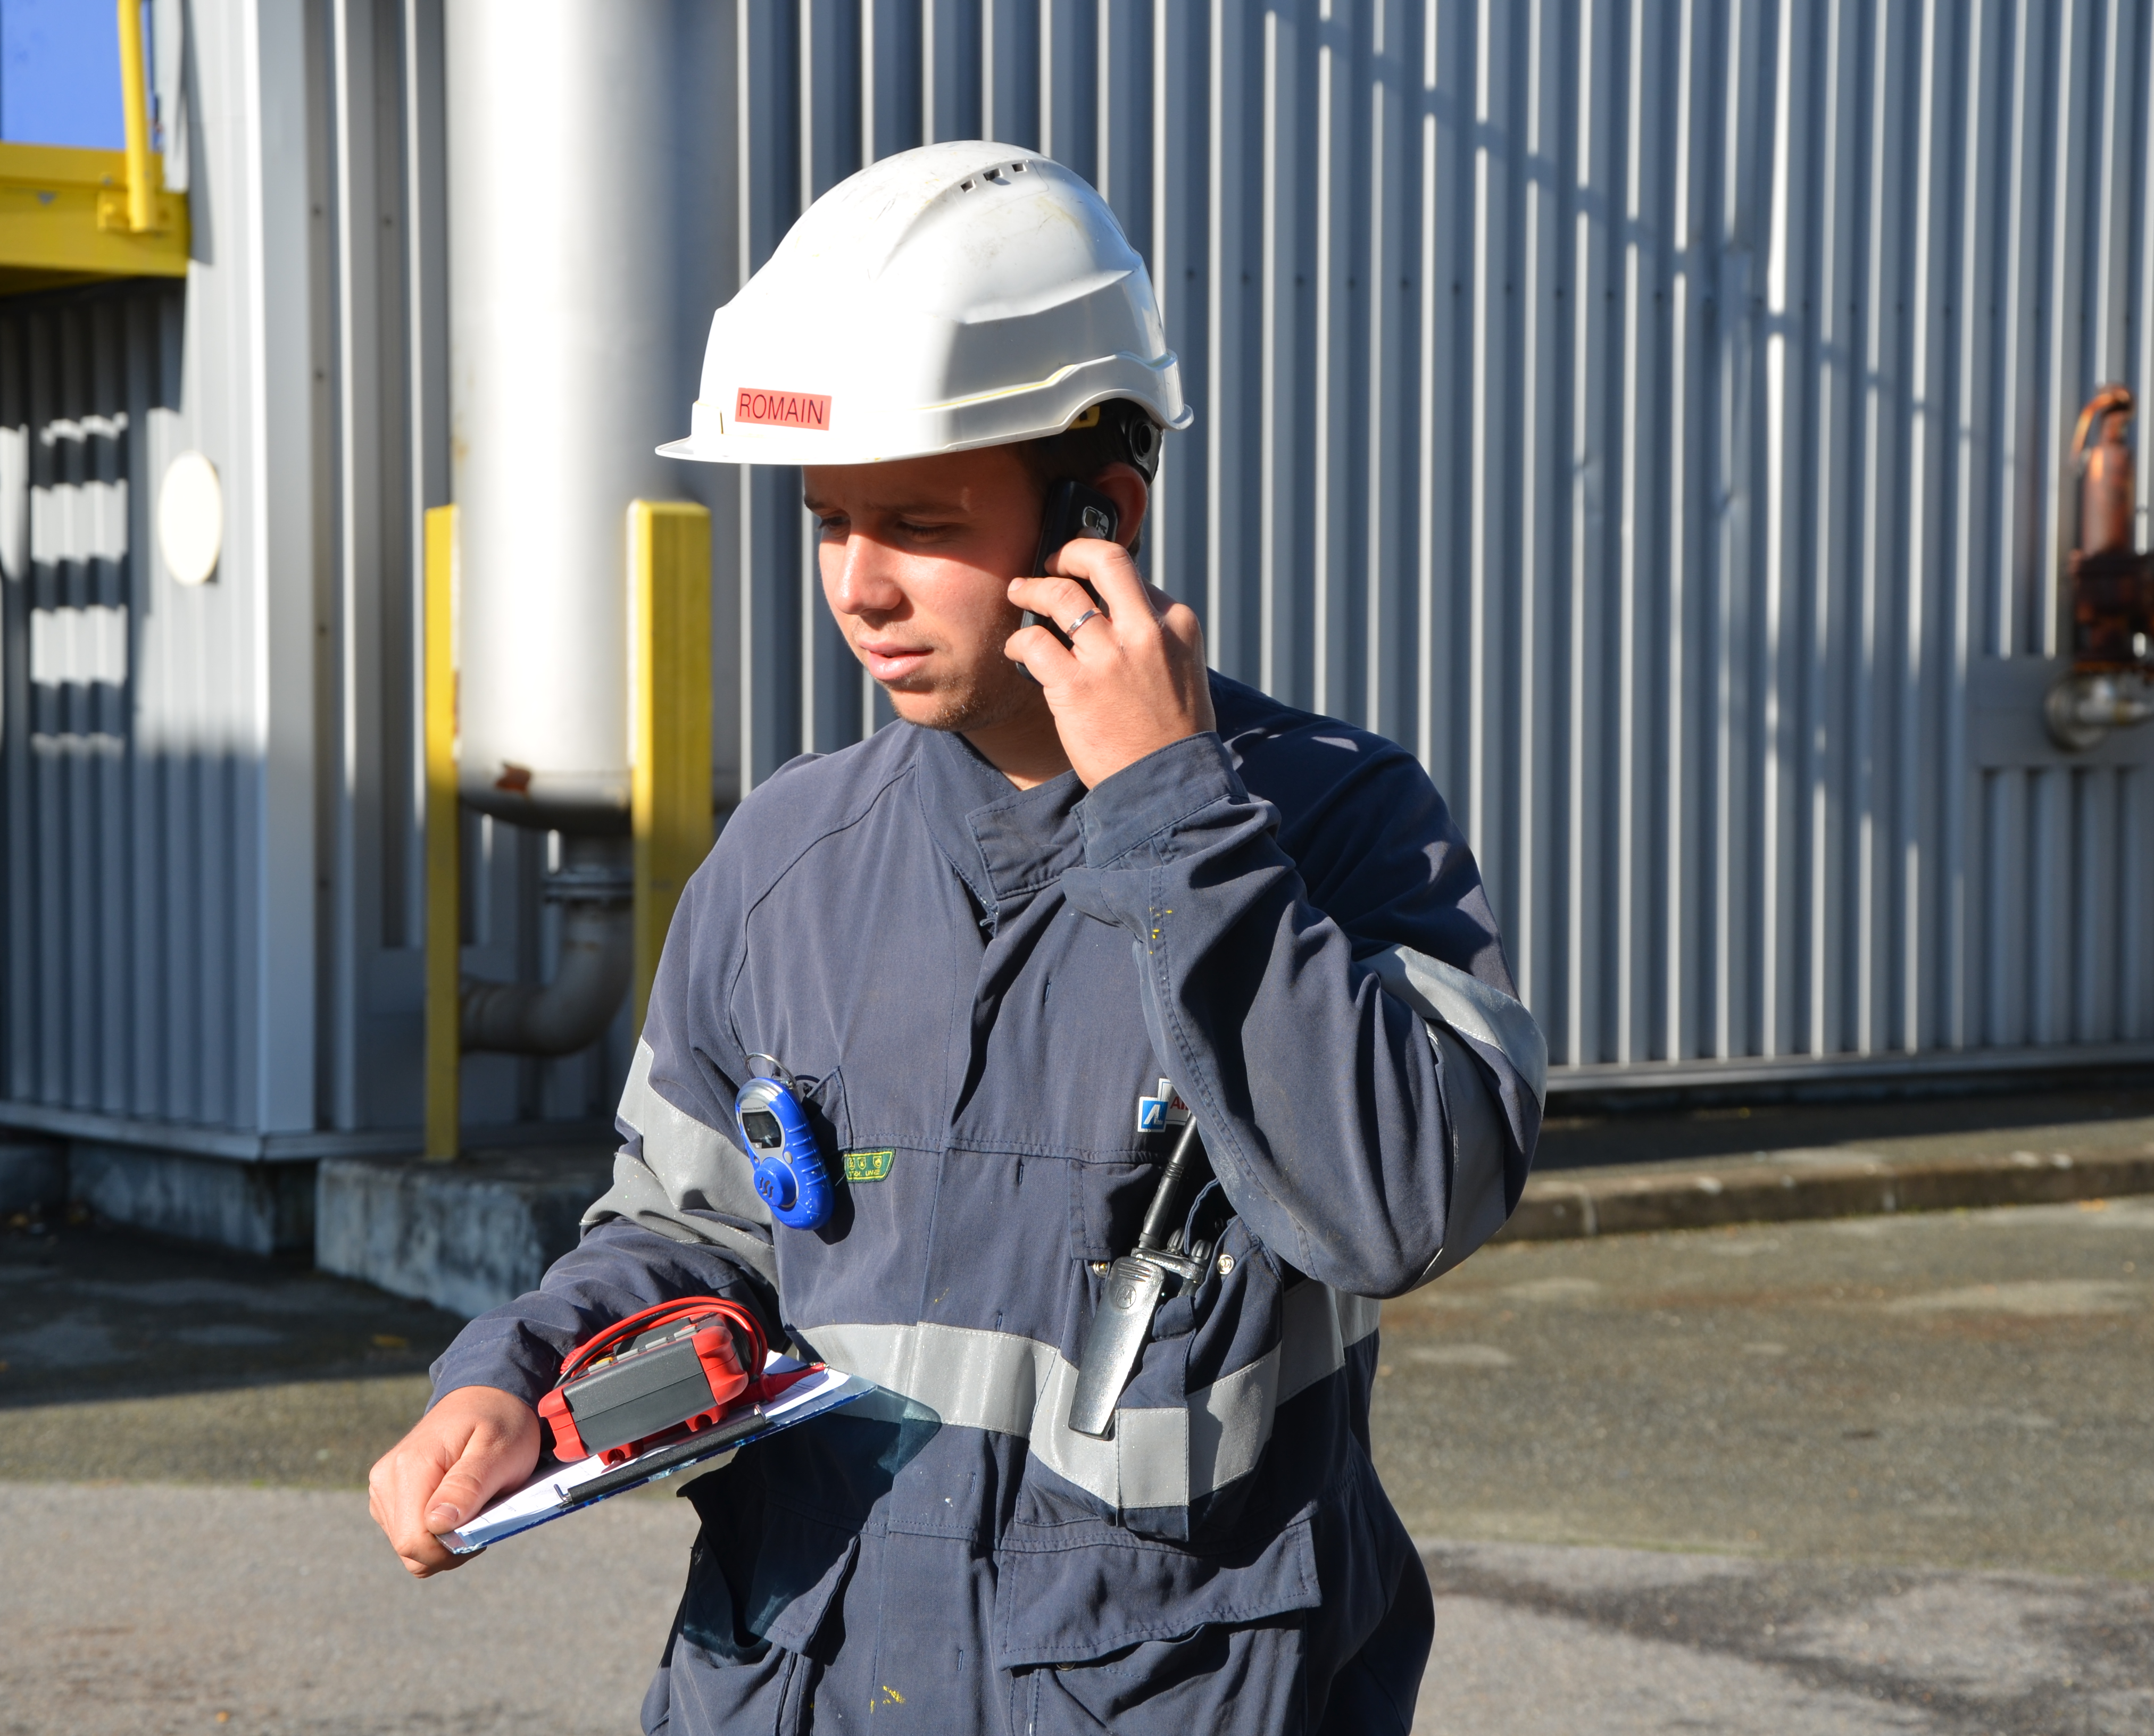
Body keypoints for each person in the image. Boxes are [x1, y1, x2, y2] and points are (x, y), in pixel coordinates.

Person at [368, 138, 1544, 1734]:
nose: (858, 587)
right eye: (826, 520)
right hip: (803, 1684)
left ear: (1099, 511)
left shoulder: (1332, 823)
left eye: (915, 519)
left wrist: (1176, 818)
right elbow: (696, 1237)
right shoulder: (787, 859)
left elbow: (1410, 1202)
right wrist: (517, 1378)